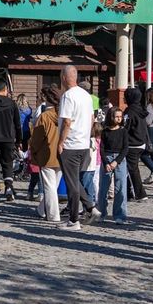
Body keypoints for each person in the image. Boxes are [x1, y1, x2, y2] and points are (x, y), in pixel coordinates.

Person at [57, 66, 100, 230]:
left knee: (72, 184)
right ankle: (90, 207)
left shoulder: (68, 96)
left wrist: (61, 142)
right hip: (83, 144)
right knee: (74, 180)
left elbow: (67, 122)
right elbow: (91, 119)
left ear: (63, 77)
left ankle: (74, 220)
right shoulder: (86, 96)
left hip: (70, 145)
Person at [29, 86, 62, 222]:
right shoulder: (62, 115)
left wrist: (33, 149)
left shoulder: (45, 116)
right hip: (62, 154)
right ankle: (42, 210)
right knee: (53, 186)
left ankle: (53, 215)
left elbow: (37, 138)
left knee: (49, 187)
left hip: (46, 154)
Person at [98, 107, 129, 224]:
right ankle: (101, 212)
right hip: (107, 157)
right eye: (117, 116)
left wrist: (117, 161)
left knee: (120, 188)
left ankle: (120, 215)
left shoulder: (123, 131)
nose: (119, 119)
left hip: (119, 159)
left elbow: (125, 148)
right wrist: (106, 162)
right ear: (111, 117)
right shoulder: (105, 131)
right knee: (103, 188)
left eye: (120, 117)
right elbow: (102, 148)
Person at [123, 87, 150, 203]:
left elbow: (125, 127)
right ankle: (128, 192)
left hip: (132, 143)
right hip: (140, 142)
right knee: (130, 169)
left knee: (132, 170)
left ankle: (140, 193)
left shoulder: (130, 111)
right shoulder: (140, 109)